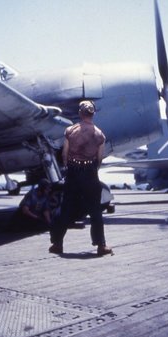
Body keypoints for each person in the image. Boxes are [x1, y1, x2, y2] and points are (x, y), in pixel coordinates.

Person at [49, 100, 113, 256]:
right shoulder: (99, 134)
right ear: (93, 114)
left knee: (65, 209)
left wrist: (70, 168)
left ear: (80, 113)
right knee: (95, 211)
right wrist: (91, 169)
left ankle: (57, 244)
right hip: (90, 172)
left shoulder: (70, 131)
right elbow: (99, 158)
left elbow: (64, 154)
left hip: (73, 171)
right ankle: (101, 246)